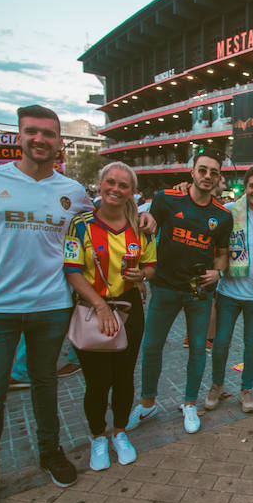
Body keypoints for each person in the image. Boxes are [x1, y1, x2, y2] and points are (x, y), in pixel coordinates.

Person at [0, 105, 154, 503]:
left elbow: (106, 221)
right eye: (32, 132)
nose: (40, 140)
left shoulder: (71, 191)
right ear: (19, 135)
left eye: (48, 134)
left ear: (58, 142)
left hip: (51, 307)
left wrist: (145, 216)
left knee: (44, 386)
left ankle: (50, 453)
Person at [131, 149, 231, 434]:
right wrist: (146, 224)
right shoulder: (166, 199)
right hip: (163, 287)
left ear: (219, 177)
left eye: (213, 172)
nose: (207, 176)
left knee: (198, 350)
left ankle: (189, 404)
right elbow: (148, 229)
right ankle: (148, 403)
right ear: (192, 172)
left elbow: (223, 255)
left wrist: (219, 271)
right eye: (203, 170)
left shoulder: (222, 215)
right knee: (151, 346)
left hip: (199, 292)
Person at [64, 162, 156, 470]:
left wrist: (142, 274)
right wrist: (101, 307)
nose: (115, 189)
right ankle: (98, 437)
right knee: (97, 380)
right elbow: (73, 271)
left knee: (124, 375)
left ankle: (119, 432)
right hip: (92, 309)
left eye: (123, 185)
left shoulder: (140, 225)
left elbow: (151, 265)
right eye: (110, 182)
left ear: (132, 192)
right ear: (100, 184)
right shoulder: (81, 224)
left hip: (129, 308)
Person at [204, 167, 253, 414]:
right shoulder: (228, 213)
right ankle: (216, 385)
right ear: (246, 187)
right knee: (221, 343)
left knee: (251, 345)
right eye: (252, 186)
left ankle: (246, 388)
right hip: (229, 292)